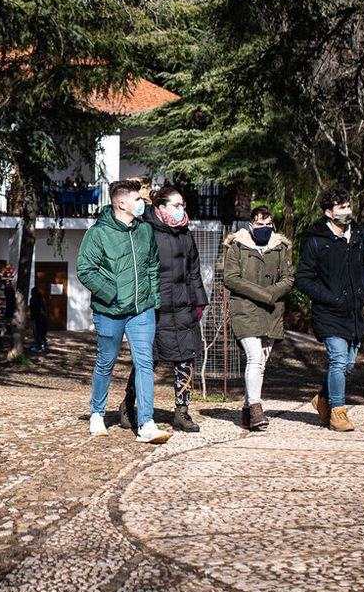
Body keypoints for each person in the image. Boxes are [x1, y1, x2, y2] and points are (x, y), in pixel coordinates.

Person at [76, 179, 170, 444]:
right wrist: (112, 293)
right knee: (106, 362)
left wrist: (152, 299)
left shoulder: (145, 231)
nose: (143, 203)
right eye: (138, 199)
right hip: (110, 310)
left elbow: (153, 264)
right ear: (121, 203)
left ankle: (146, 423)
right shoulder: (98, 234)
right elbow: (85, 269)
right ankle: (97, 413)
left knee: (144, 364)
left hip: (142, 310)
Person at [118, 184, 207, 434]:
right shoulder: (145, 230)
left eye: (183, 206)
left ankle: (182, 411)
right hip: (155, 308)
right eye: (176, 206)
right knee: (148, 360)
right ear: (161, 207)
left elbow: (193, 270)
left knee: (186, 358)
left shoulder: (185, 233)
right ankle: (128, 405)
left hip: (184, 306)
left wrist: (199, 301)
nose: (181, 210)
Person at [294, 185, 364, 433]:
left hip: (353, 311)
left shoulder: (359, 235)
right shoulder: (316, 240)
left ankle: (323, 399)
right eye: (341, 207)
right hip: (328, 311)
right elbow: (303, 278)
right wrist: (330, 298)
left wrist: (362, 291)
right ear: (329, 212)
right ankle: (338, 412)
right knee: (338, 359)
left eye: (348, 206)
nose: (347, 211)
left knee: (348, 363)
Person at [221, 205, 295, 432]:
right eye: (259, 224)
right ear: (250, 225)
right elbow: (231, 278)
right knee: (254, 357)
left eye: (268, 224)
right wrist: (263, 294)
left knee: (261, 363)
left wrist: (272, 294)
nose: (264, 228)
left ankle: (246, 411)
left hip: (272, 312)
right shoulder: (236, 245)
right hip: (245, 309)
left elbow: (288, 278)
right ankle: (256, 407)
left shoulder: (280, 247)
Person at [29, 286, 49, 353]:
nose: (30, 293)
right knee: (41, 332)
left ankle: (38, 346)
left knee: (37, 333)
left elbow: (33, 309)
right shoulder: (41, 298)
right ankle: (43, 345)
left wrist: (32, 317)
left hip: (36, 318)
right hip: (43, 318)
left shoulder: (33, 299)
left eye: (31, 292)